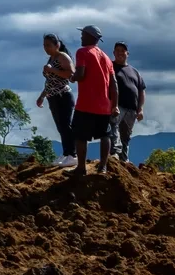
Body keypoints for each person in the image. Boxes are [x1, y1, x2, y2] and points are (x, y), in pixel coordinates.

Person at [70, 25, 119, 176]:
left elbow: (81, 74)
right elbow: (114, 84)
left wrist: (72, 77)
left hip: (85, 104)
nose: (81, 38)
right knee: (105, 135)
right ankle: (102, 167)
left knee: (80, 136)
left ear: (90, 37)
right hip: (104, 105)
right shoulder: (106, 58)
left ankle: (81, 168)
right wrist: (114, 105)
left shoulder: (82, 52)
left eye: (83, 35)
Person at [35, 34, 76, 165]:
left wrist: (53, 70)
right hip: (52, 97)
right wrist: (42, 96)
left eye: (48, 45)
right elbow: (50, 82)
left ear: (56, 45)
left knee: (66, 125)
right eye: (44, 45)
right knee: (60, 126)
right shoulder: (50, 59)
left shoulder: (62, 57)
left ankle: (73, 154)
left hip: (63, 95)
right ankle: (66, 153)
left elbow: (71, 74)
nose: (46, 48)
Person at [110, 41, 146, 162]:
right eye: (117, 50)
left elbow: (141, 90)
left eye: (123, 51)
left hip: (132, 109)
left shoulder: (134, 71)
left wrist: (140, 109)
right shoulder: (109, 67)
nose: (120, 53)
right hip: (116, 105)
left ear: (127, 53)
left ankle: (123, 160)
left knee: (126, 136)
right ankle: (114, 153)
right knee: (113, 127)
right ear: (113, 53)